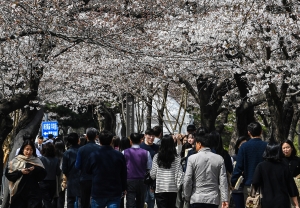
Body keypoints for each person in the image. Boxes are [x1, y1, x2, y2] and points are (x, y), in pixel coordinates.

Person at [183, 133, 229, 208]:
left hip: (196, 198)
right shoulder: (219, 159)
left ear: (200, 144)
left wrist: (187, 196)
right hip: (213, 199)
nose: (195, 146)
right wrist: (225, 199)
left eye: (196, 143)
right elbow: (223, 181)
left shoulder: (192, 158)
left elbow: (187, 179)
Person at [86, 130, 127, 208]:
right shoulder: (119, 155)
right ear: (111, 140)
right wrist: (124, 187)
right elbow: (124, 173)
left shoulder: (93, 155)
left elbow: (87, 170)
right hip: (114, 190)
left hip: (98, 190)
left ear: (99, 140)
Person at [252, 142, 299, 208]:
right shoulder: (284, 166)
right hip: (283, 201)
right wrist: (296, 204)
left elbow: (255, 182)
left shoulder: (261, 166)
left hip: (267, 201)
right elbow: (291, 186)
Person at [231, 121, 267, 204]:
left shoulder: (244, 146)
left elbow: (239, 167)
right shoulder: (267, 146)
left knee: (250, 205)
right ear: (261, 132)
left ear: (249, 133)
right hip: (265, 185)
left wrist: (233, 181)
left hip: (249, 185)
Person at [6, 140, 47, 208]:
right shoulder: (15, 161)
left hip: (33, 193)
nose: (29, 152)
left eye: (31, 150)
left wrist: (35, 169)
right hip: (19, 193)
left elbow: (43, 175)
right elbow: (9, 175)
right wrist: (20, 172)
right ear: (22, 150)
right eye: (27, 149)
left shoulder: (36, 161)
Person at [150, 135, 183, 208]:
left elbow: (153, 174)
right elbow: (179, 173)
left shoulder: (157, 157)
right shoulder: (177, 158)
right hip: (173, 189)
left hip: (160, 188)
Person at [123, 133, 152, 208]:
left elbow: (122, 167)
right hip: (142, 180)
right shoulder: (146, 153)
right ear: (140, 141)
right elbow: (149, 168)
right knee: (141, 201)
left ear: (130, 141)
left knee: (130, 201)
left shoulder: (124, 152)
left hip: (129, 179)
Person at [75, 127, 100, 208]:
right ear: (96, 136)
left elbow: (77, 165)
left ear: (86, 137)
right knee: (96, 201)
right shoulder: (99, 149)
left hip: (84, 179)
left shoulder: (81, 149)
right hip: (97, 179)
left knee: (84, 201)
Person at [140, 129, 159, 208]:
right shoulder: (140, 147)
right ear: (145, 135)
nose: (151, 137)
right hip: (142, 177)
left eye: (153, 136)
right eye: (149, 135)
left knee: (151, 199)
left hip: (154, 178)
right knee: (142, 200)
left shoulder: (157, 147)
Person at [62, 133, 81, 208]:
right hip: (82, 178)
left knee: (70, 200)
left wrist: (65, 180)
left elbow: (64, 169)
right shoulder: (82, 150)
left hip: (71, 179)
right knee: (81, 200)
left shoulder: (67, 153)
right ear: (78, 140)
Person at [39, 142, 61, 208]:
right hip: (53, 182)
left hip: (43, 182)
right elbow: (58, 172)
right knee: (49, 200)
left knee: (46, 201)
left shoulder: (41, 159)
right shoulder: (56, 159)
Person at [231, 136, 249, 208]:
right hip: (237, 189)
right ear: (238, 146)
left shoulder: (249, 157)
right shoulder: (233, 158)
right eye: (241, 144)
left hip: (247, 188)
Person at [53, 138, 66, 208]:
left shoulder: (52, 157)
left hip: (52, 180)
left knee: (54, 199)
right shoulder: (65, 156)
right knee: (61, 199)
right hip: (62, 180)